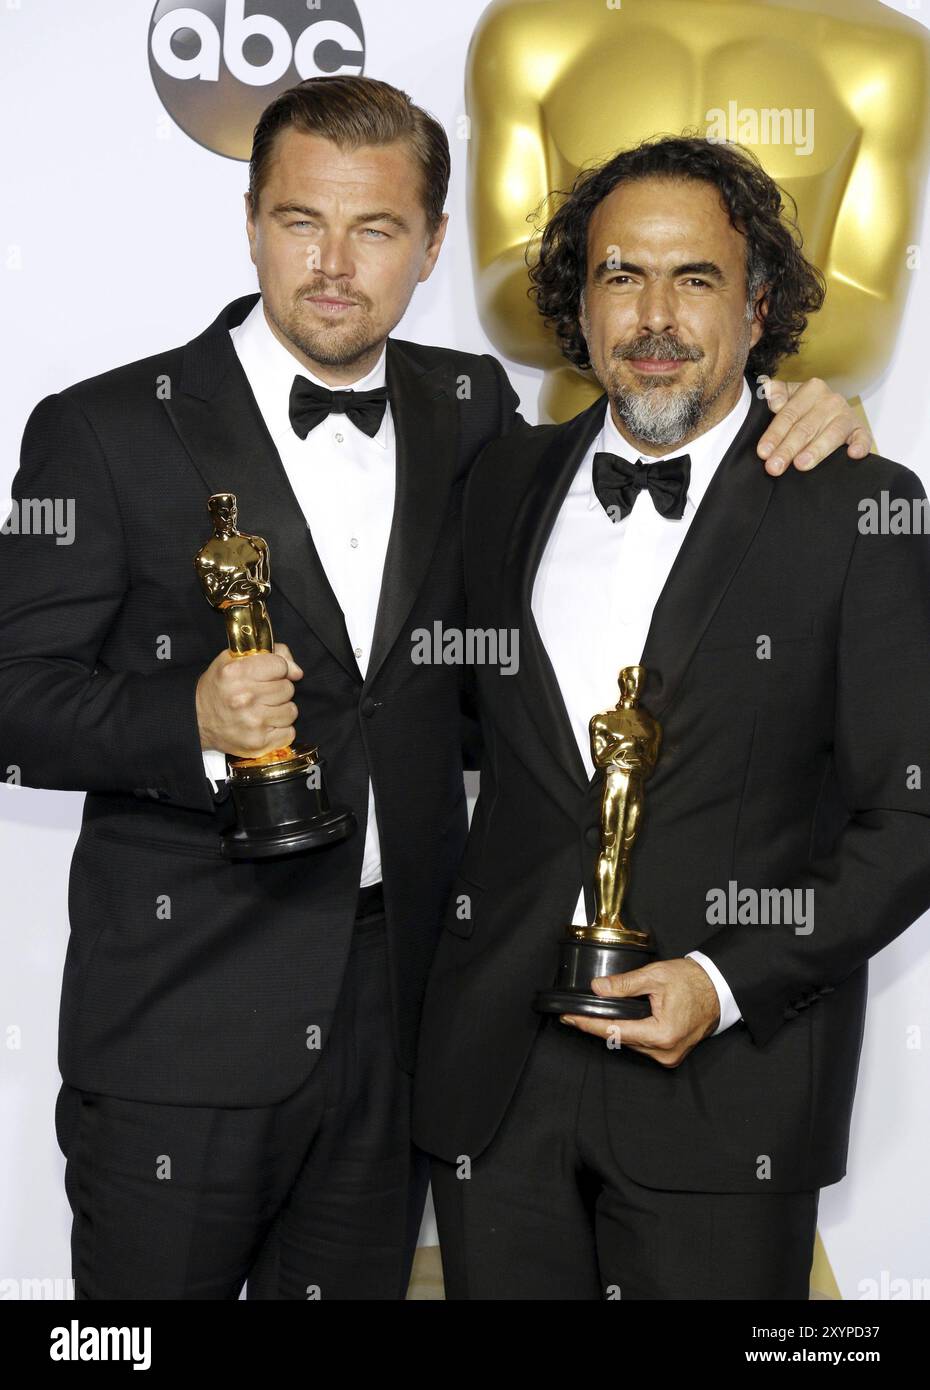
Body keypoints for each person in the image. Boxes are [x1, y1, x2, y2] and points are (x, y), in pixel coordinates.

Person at [0, 76, 867, 1300]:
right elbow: (14, 695)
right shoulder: (102, 429)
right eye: (303, 222)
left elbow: (604, 563)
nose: (335, 266)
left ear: (433, 246)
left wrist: (812, 410)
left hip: (416, 1014)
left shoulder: (470, 411)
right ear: (252, 223)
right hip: (181, 1026)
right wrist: (185, 722)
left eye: (378, 230)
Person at [413, 134, 930, 1300]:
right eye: (620, 276)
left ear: (758, 310)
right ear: (579, 306)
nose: (656, 315)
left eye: (694, 279)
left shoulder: (859, 504)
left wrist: (726, 976)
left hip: (728, 1089)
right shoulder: (502, 483)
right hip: (498, 1091)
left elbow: (909, 820)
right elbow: (442, 724)